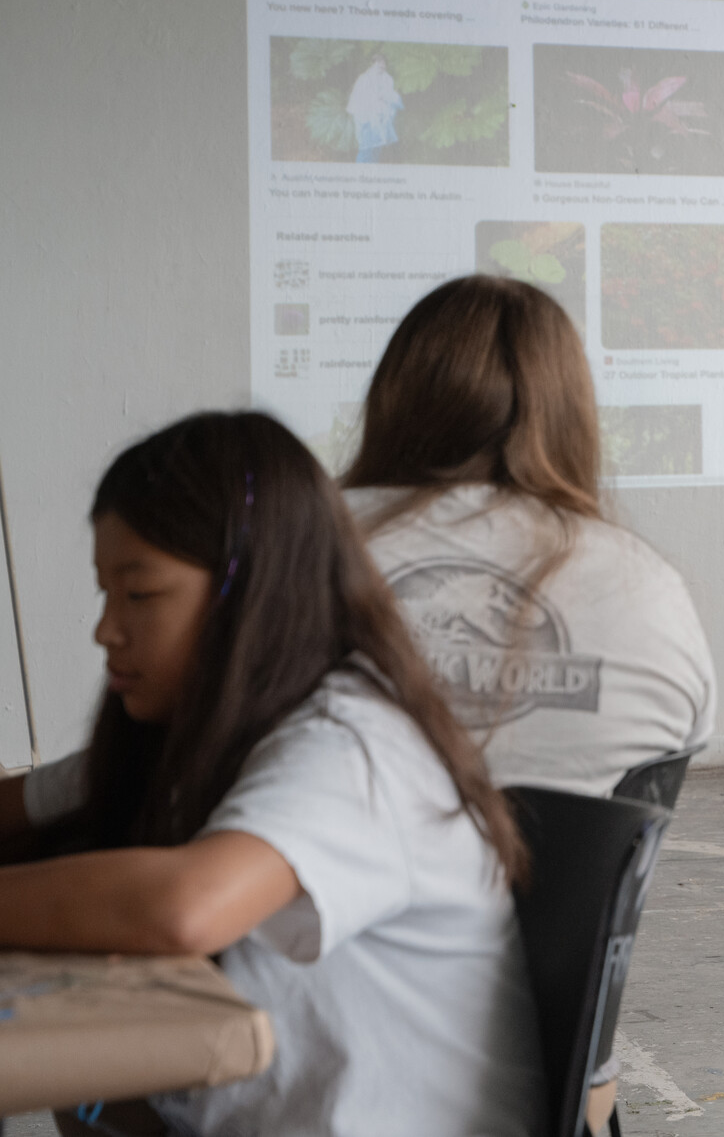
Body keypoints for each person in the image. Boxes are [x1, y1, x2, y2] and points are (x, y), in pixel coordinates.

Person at [0, 411, 542, 1135]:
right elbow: (26, 804)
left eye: (139, 594)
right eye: (104, 593)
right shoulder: (200, 732)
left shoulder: (354, 745)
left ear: (248, 589)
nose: (106, 628)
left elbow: (185, 906)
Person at [343, 274, 716, 796]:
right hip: (566, 879)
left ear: (392, 396)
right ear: (572, 414)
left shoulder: (295, 537)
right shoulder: (649, 584)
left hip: (322, 875)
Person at [347, 53, 403, 162]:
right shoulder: (364, 79)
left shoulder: (388, 79)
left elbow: (392, 96)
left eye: (383, 64)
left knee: (378, 146)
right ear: (372, 64)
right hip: (366, 118)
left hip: (382, 118)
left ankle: (373, 170)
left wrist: (386, 99)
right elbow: (358, 99)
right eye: (378, 64)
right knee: (365, 148)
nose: (381, 66)